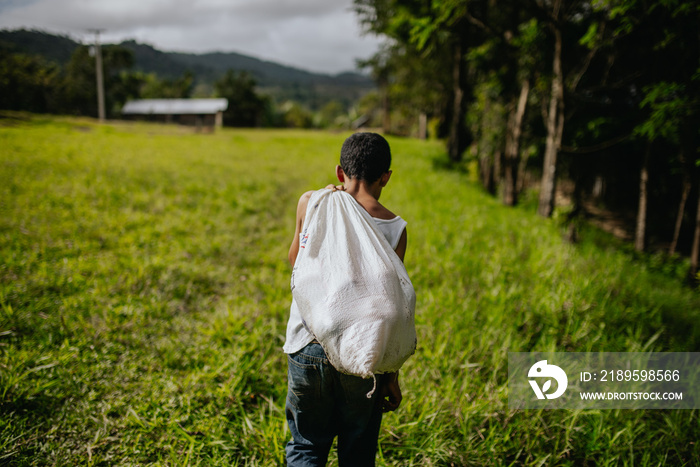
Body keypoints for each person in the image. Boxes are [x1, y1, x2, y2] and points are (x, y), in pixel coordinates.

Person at [284, 132, 409, 466]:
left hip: (307, 345)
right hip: (362, 356)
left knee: (307, 444)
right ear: (386, 176)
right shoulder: (395, 228)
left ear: (340, 172)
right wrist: (390, 376)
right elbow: (390, 306)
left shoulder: (311, 202)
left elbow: (296, 264)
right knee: (357, 449)